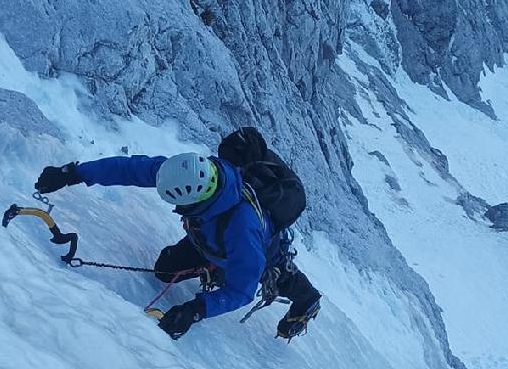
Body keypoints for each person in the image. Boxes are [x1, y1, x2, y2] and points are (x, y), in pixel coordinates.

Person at [35, 146, 321, 341]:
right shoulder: (187, 173)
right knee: (165, 271)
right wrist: (74, 173)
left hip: (259, 255)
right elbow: (131, 169)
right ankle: (214, 265)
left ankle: (307, 301)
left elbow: (241, 291)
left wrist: (195, 310)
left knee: (280, 277)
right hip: (209, 242)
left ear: (194, 201)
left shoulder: (242, 230)